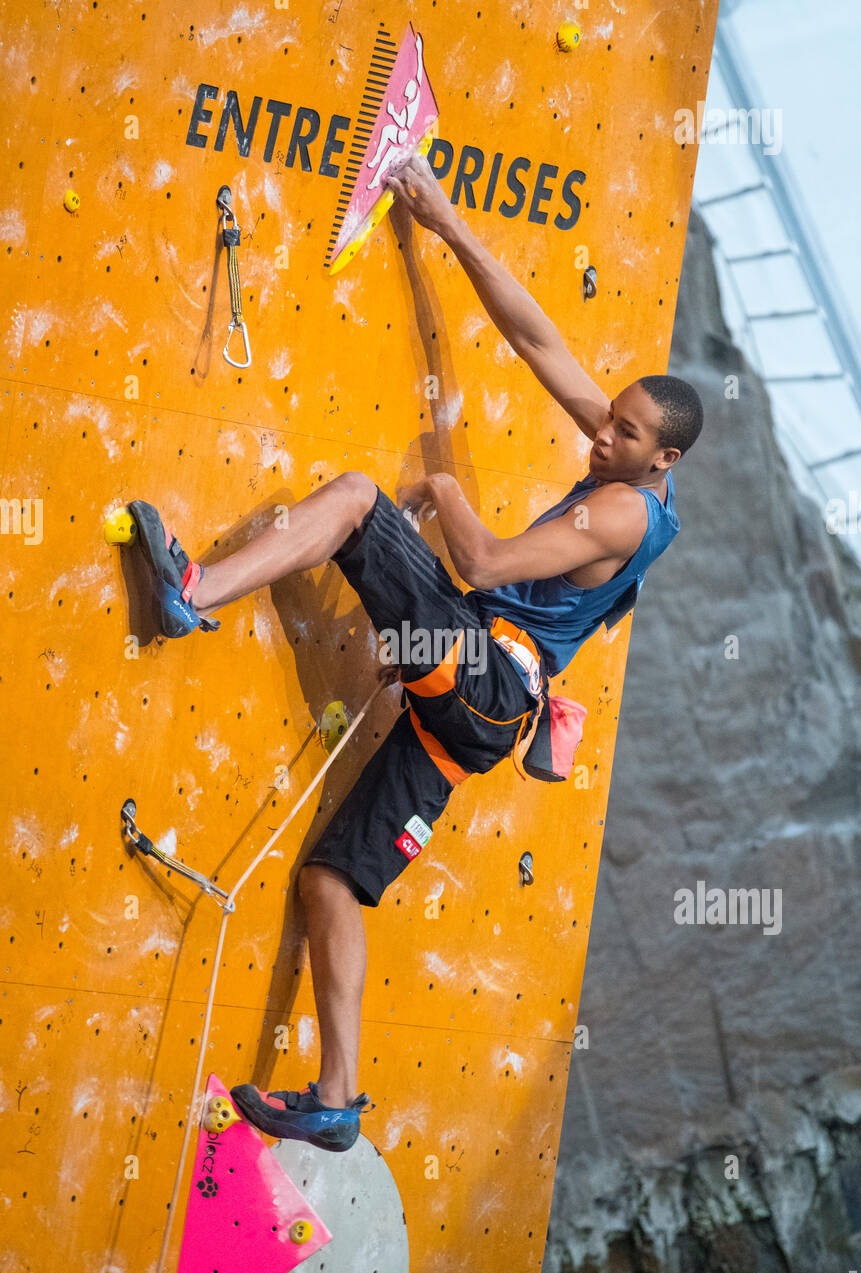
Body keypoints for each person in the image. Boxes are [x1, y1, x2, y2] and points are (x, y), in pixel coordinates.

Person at [126, 153, 702, 1152]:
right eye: (607, 416)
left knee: (355, 496)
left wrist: (435, 488)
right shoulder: (623, 465)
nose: (600, 432)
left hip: (484, 682)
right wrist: (440, 223)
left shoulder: (618, 508)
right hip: (472, 713)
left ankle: (193, 595)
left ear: (665, 460)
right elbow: (535, 336)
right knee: (331, 882)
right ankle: (339, 1100)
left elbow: (475, 558)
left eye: (623, 430)